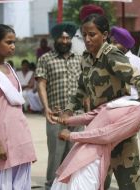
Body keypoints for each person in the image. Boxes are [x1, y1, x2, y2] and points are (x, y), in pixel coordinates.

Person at [53, 14, 140, 190]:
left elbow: (138, 79)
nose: (87, 39)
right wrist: (68, 110)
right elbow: (81, 89)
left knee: (129, 183)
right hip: (98, 129)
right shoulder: (86, 58)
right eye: (84, 34)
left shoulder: (112, 55)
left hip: (119, 131)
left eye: (92, 34)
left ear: (105, 35)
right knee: (98, 182)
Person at [50, 83, 140, 190]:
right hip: (82, 150)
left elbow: (107, 134)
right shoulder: (131, 100)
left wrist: (72, 135)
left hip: (93, 158)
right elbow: (94, 115)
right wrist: (65, 120)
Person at [0, 24, 37, 189]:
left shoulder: (9, 68)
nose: (13, 46)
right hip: (0, 136)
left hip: (19, 134)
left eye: (14, 42)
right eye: (8, 42)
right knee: (2, 184)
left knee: (21, 182)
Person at [102, 25, 140, 189]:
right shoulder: (105, 59)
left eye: (114, 41)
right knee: (101, 175)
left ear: (124, 45)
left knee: (128, 176)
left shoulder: (136, 63)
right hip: (104, 122)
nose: (110, 44)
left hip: (125, 122)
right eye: (110, 41)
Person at [35, 22, 83, 190]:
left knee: (75, 153)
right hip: (56, 114)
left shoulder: (80, 57)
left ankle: (71, 186)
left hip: (77, 115)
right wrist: (45, 107)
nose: (64, 41)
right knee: (56, 154)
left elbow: (85, 84)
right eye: (61, 38)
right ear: (55, 39)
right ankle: (50, 186)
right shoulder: (45, 59)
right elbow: (41, 83)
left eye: (67, 38)